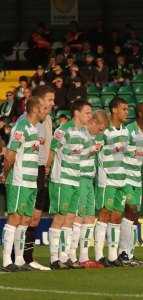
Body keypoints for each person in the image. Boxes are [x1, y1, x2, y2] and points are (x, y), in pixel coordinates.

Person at [0, 96, 48, 272]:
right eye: (43, 108)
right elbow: (10, 154)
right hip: (19, 179)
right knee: (15, 217)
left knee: (25, 219)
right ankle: (6, 261)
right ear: (35, 109)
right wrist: (5, 174)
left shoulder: (35, 129)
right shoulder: (21, 127)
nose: (46, 111)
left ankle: (19, 260)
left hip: (30, 181)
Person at [47, 100, 93, 269]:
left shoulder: (85, 133)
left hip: (76, 179)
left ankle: (64, 257)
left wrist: (93, 150)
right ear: (77, 113)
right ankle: (53, 259)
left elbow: (85, 154)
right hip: (62, 179)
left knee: (71, 218)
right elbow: (52, 151)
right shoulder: (62, 130)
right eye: (87, 112)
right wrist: (46, 170)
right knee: (60, 217)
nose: (90, 116)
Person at [21, 85, 55, 271]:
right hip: (28, 170)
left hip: (41, 170)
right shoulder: (25, 120)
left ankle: (27, 257)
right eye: (49, 99)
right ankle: (17, 257)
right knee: (24, 216)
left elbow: (48, 146)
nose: (53, 103)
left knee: (34, 217)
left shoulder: (48, 119)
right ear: (39, 101)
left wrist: (47, 165)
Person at [70, 110, 109, 268]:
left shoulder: (98, 137)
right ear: (92, 122)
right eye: (100, 128)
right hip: (79, 178)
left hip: (90, 179)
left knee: (89, 218)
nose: (101, 132)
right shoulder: (80, 134)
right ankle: (71, 255)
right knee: (78, 217)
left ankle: (84, 257)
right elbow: (72, 155)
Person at [118, 103, 143, 266]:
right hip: (125, 177)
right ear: (140, 114)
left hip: (137, 179)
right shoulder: (128, 131)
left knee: (134, 216)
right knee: (130, 211)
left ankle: (129, 254)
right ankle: (122, 253)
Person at [94, 97, 129, 267]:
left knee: (116, 217)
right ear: (114, 110)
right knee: (104, 215)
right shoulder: (104, 132)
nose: (126, 112)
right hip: (106, 180)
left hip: (121, 180)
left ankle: (113, 256)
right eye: (124, 109)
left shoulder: (126, 131)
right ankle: (99, 255)